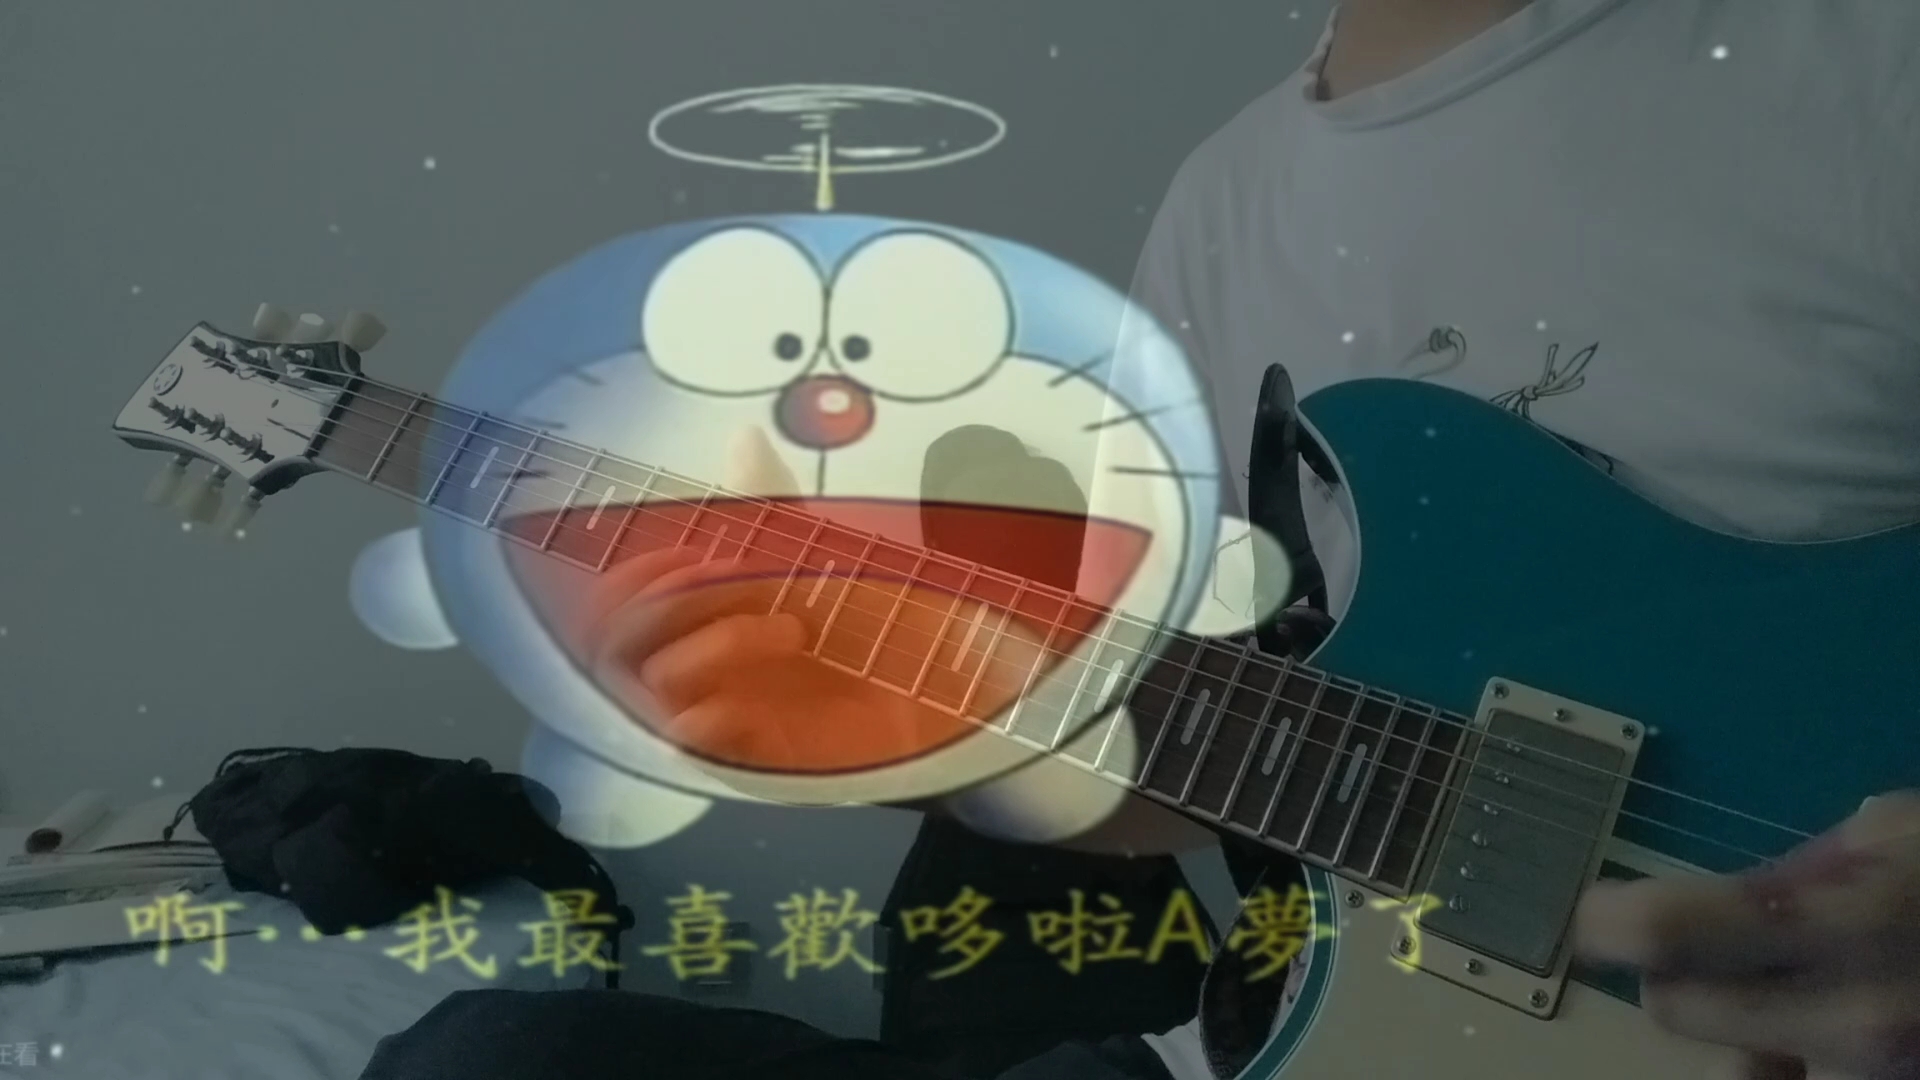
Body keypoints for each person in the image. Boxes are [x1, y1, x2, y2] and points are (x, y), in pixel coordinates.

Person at [386, 3, 1919, 1079]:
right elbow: (1216, 759)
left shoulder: (1858, 61)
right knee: (493, 1055)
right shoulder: (1225, 202)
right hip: (1347, 1019)